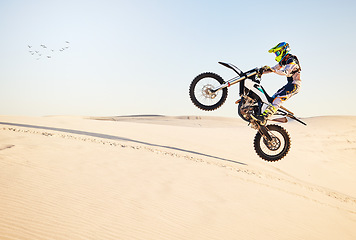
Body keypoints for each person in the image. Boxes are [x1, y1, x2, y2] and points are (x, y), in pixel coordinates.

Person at [256, 42, 301, 124]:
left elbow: (285, 72)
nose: (276, 55)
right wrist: (261, 71)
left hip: (295, 85)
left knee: (279, 98)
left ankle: (266, 115)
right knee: (271, 99)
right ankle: (276, 116)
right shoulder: (284, 61)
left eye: (277, 53)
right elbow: (273, 68)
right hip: (290, 84)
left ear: (284, 51)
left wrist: (274, 70)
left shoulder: (292, 60)